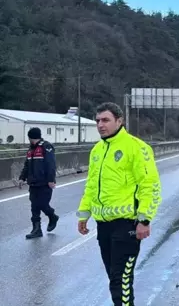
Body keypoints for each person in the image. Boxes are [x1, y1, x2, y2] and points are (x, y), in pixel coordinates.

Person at [76, 102, 161, 306]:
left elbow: (149, 186)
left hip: (127, 225)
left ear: (119, 121)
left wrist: (144, 220)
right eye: (97, 121)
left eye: (105, 120)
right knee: (114, 277)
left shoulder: (137, 147)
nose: (100, 125)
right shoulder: (97, 150)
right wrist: (83, 215)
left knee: (120, 281)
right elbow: (91, 186)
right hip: (104, 226)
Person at [19, 127, 59, 239]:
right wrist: (22, 178)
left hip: (44, 182)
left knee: (42, 204)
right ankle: (36, 230)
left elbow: (51, 164)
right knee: (34, 206)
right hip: (33, 183)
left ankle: (52, 216)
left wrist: (51, 180)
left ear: (30, 137)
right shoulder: (30, 150)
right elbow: (27, 165)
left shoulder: (46, 147)